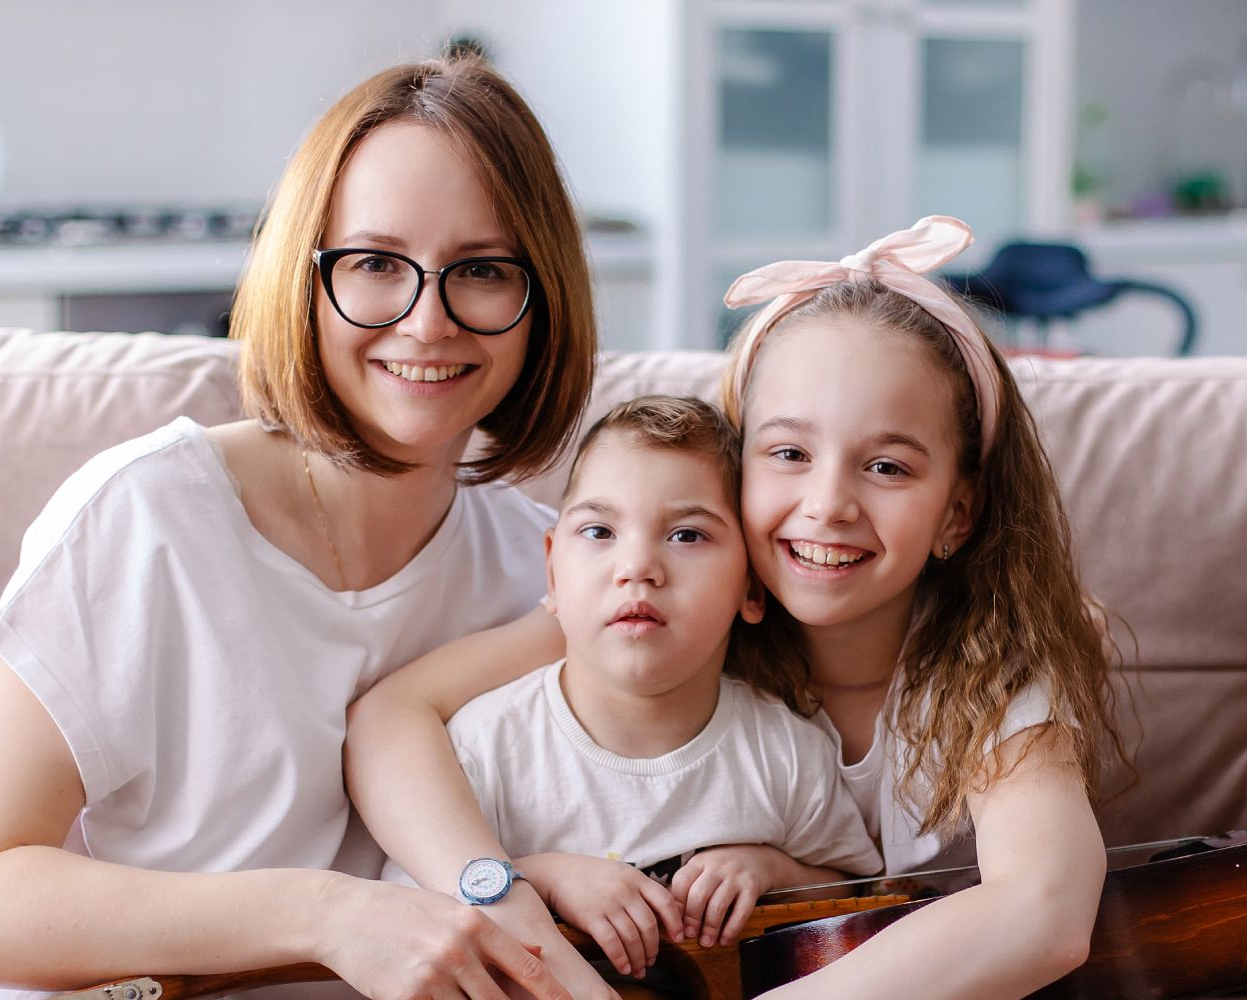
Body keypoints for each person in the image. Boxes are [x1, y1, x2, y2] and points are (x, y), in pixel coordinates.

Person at [0, 56, 603, 1000]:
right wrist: (328, 914)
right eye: (373, 264)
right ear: (305, 281)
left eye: (480, 270)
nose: (426, 322)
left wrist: (530, 878)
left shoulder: (548, 569)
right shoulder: (148, 518)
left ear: (541, 300)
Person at [346, 216, 1129, 1000]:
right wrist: (509, 885)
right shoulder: (664, 612)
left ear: (957, 514)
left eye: (887, 466)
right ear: (733, 469)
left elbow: (1046, 912)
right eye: (788, 454)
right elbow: (392, 718)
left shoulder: (995, 662)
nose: (826, 506)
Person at [373, 396, 880, 981]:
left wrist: (770, 868)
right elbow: (411, 922)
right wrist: (541, 876)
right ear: (553, 573)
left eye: (688, 535)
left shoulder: (787, 753)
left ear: (754, 587)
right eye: (599, 530)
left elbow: (862, 898)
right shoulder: (485, 747)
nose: (637, 565)